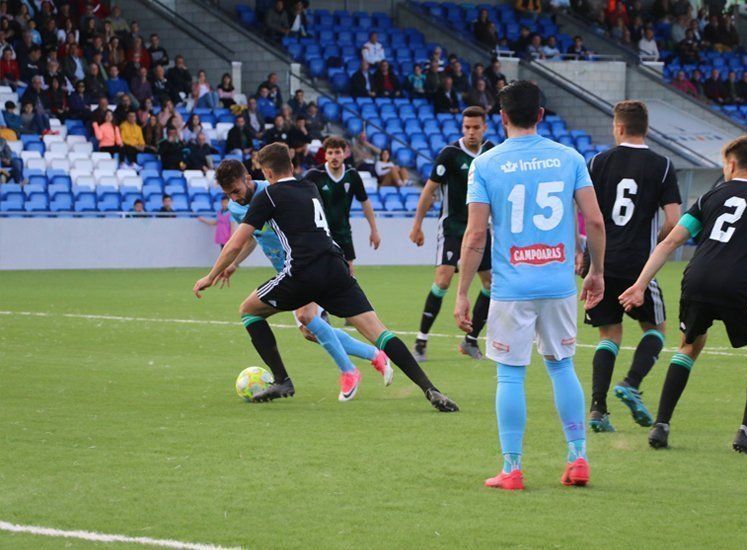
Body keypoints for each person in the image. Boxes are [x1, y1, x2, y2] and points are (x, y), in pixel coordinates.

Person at [192, 147, 457, 411]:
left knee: (249, 311)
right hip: (335, 267)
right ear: (292, 167)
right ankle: (431, 389)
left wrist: (210, 275)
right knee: (379, 332)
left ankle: (283, 380)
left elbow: (235, 243)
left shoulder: (268, 195)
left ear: (267, 173)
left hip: (302, 272)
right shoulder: (310, 188)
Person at [618, 135, 747, 454]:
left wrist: (641, 284)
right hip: (739, 285)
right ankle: (745, 432)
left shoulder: (711, 197)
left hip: (697, 279)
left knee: (688, 347)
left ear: (731, 163)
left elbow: (670, 242)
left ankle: (661, 425)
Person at [454, 80, 606, 490]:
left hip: (510, 288)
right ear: (541, 115)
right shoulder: (569, 157)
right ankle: (578, 459)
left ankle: (512, 468)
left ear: (501, 118)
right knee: (561, 367)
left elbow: (474, 236)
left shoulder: (485, 165)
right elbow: (594, 221)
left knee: (510, 376)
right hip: (558, 283)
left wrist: (464, 292)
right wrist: (596, 271)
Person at [579, 101, 681, 433]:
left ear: (619, 127)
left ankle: (598, 410)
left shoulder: (597, 162)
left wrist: (585, 255)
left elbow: (588, 215)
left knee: (609, 335)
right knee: (656, 330)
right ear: (645, 128)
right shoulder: (662, 166)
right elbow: (673, 220)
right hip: (638, 265)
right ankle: (632, 383)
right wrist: (657, 243)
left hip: (601, 263)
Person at [408, 106, 495, 361]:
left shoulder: (491, 152)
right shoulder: (450, 154)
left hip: (480, 229)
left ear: (484, 128)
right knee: (443, 280)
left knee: (491, 284)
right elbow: (429, 190)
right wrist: (417, 225)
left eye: (475, 127)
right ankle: (421, 341)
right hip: (452, 228)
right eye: (466, 127)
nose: (470, 132)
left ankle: (471, 340)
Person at [303, 136, 381, 272]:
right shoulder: (315, 175)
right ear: (325, 155)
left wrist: (374, 230)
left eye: (338, 152)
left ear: (345, 154)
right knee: (318, 274)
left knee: (349, 272)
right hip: (320, 234)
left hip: (343, 233)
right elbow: (300, 201)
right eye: (330, 153)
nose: (334, 156)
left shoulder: (352, 175)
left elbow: (365, 202)